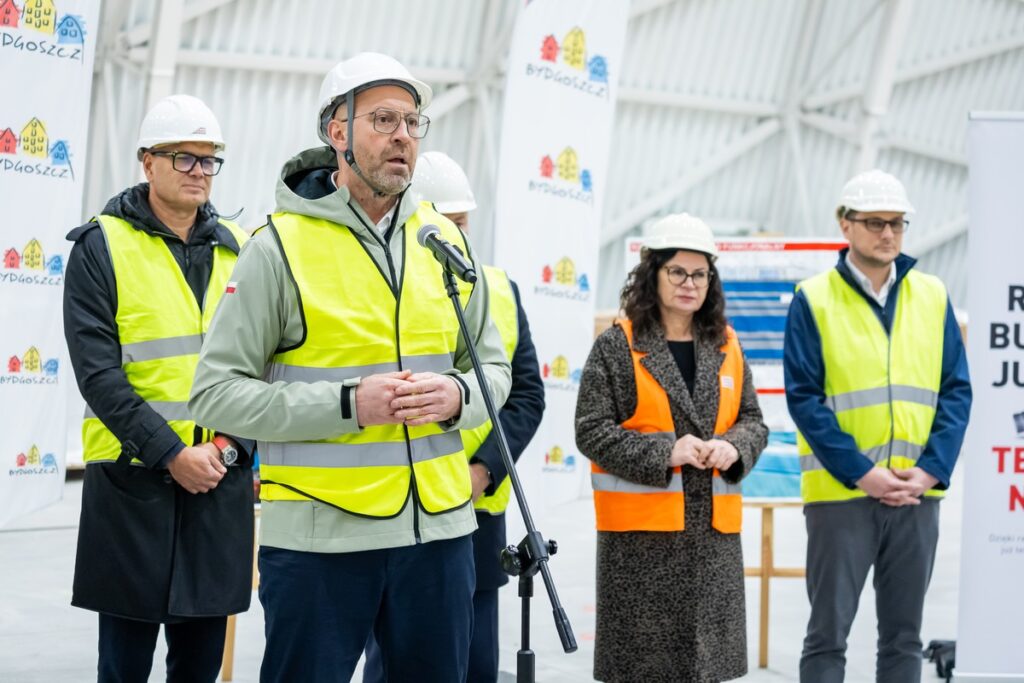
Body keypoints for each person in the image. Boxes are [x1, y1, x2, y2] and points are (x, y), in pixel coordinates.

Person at [188, 53, 512, 683]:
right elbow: (214, 395)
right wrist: (347, 405)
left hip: (440, 539)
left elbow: (495, 371)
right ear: (337, 133)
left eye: (413, 123)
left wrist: (456, 395)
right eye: (383, 119)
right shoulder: (277, 247)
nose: (402, 136)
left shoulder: (444, 240)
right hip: (319, 546)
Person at [63, 94, 254, 683]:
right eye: (184, 158)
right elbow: (99, 375)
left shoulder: (242, 249)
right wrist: (172, 454)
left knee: (198, 667)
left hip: (218, 480)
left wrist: (223, 450)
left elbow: (265, 366)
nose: (200, 172)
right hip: (133, 483)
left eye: (209, 160)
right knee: (124, 666)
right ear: (147, 162)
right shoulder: (102, 246)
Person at [362, 151, 545, 683]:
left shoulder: (498, 290)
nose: (458, 239)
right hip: (400, 507)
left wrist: (483, 471)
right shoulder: (380, 292)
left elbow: (527, 396)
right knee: (395, 661)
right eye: (447, 227)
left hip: (476, 507)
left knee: (476, 661)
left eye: (463, 225)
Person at [784, 169, 971, 682]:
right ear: (845, 224)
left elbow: (956, 391)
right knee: (827, 639)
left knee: (903, 640)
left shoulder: (932, 296)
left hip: (916, 496)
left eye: (897, 223)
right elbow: (805, 398)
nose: (887, 233)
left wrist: (930, 470)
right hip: (840, 497)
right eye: (874, 222)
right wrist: (862, 473)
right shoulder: (814, 298)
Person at [575, 213, 768, 682]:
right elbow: (591, 429)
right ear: (652, 274)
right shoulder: (617, 347)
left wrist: (734, 448)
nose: (689, 283)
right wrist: (667, 451)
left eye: (699, 273)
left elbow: (753, 421)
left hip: (713, 547)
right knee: (644, 669)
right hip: (641, 550)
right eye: (676, 272)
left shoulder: (727, 343)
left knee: (706, 669)